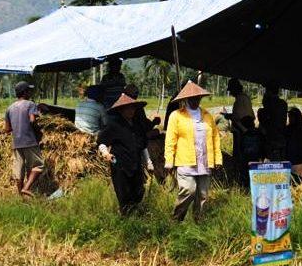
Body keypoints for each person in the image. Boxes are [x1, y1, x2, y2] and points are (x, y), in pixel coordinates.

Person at [164, 81, 222, 222]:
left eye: (197, 98)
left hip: (204, 161)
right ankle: (176, 219)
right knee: (188, 190)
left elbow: (215, 138)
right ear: (186, 99)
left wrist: (218, 159)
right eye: (192, 98)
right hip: (185, 160)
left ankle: (198, 222)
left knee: (202, 195)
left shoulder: (207, 115)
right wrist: (169, 161)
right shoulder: (176, 116)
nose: (195, 100)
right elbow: (170, 140)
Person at [97, 94, 154, 215]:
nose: (131, 111)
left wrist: (149, 162)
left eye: (132, 108)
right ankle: (126, 221)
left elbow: (143, 146)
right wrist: (106, 153)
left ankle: (135, 216)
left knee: (139, 192)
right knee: (124, 195)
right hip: (120, 165)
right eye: (127, 108)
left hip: (136, 165)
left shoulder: (137, 126)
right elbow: (102, 142)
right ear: (121, 110)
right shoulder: (114, 126)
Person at [5, 81, 44, 197]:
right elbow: (32, 120)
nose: (30, 92)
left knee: (19, 170)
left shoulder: (9, 108)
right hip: (29, 140)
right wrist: (39, 132)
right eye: (29, 90)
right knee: (38, 165)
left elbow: (7, 129)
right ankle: (26, 188)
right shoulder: (30, 104)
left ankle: (20, 196)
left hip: (16, 143)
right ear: (25, 92)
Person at [221, 78, 254, 177]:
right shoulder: (246, 98)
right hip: (247, 130)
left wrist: (230, 117)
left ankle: (240, 176)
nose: (230, 93)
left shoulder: (240, 99)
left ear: (235, 89)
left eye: (231, 90)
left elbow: (239, 118)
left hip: (242, 132)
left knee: (240, 156)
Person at [261, 84, 287, 161]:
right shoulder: (283, 104)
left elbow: (265, 120)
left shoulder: (269, 103)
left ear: (268, 92)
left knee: (272, 163)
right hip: (281, 138)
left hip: (271, 139)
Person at [285, 107, 302, 182]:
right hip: (291, 162)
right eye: (289, 117)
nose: (289, 119)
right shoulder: (288, 129)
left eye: (291, 117)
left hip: (300, 163)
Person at [238, 116, 265, 186]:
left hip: (246, 159)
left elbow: (241, 148)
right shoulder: (259, 133)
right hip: (257, 158)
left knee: (246, 175)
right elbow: (263, 145)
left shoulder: (244, 135)